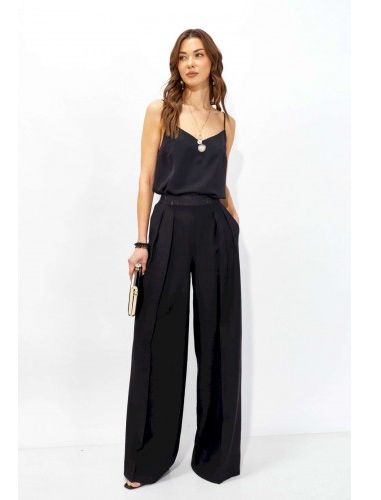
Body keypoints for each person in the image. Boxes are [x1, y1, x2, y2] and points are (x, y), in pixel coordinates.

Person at [124, 28, 242, 489]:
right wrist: (141, 242)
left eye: (198, 55)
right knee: (159, 340)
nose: (190, 63)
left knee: (219, 339)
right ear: (176, 65)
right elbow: (145, 177)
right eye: (182, 56)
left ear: (212, 62)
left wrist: (232, 218)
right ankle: (147, 461)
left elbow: (217, 177)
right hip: (170, 222)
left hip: (215, 229)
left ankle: (215, 458)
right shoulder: (160, 111)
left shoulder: (227, 123)